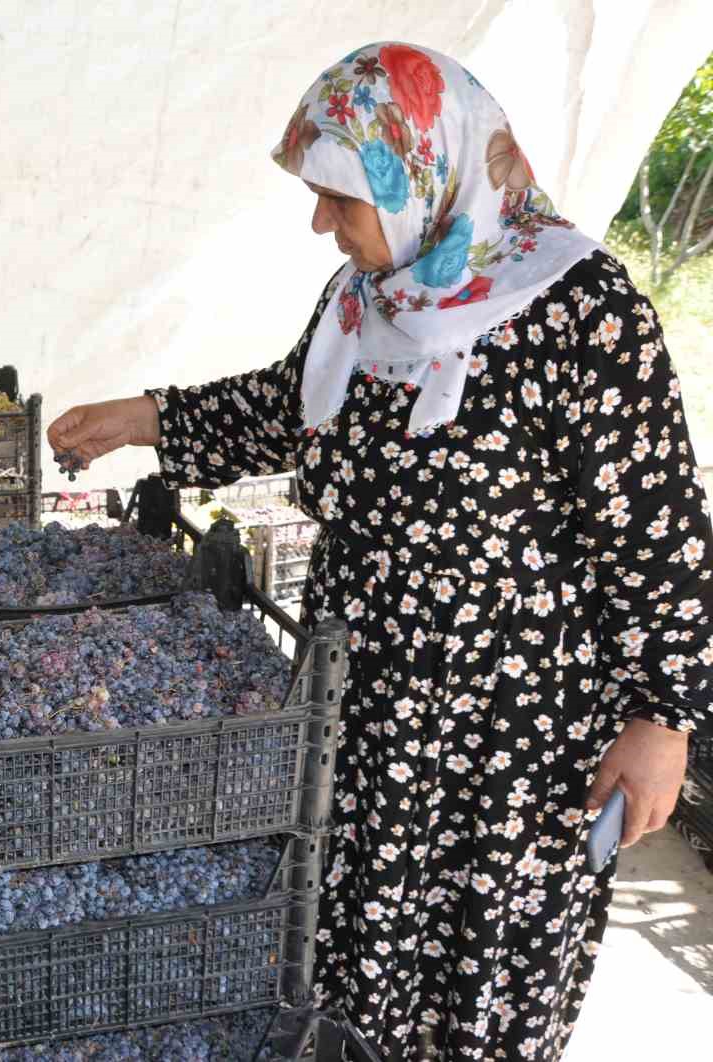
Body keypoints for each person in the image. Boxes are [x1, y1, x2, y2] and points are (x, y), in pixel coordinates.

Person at [49, 42, 711, 1061]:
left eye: (339, 200)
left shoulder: (581, 317)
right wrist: (143, 417)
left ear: (424, 176)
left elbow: (656, 536)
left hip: (509, 741)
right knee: (357, 943)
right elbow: (288, 407)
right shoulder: (369, 297)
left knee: (480, 966)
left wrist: (660, 721)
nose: (321, 226)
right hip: (367, 696)